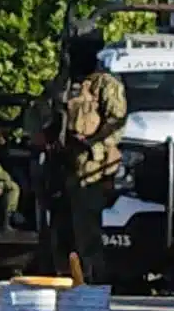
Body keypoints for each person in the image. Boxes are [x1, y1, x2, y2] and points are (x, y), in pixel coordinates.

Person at [54, 27, 128, 283]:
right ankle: (65, 277)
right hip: (62, 165)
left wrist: (92, 142)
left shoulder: (107, 84)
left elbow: (116, 124)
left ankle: (92, 281)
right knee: (60, 229)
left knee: (87, 230)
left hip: (90, 168)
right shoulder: (65, 83)